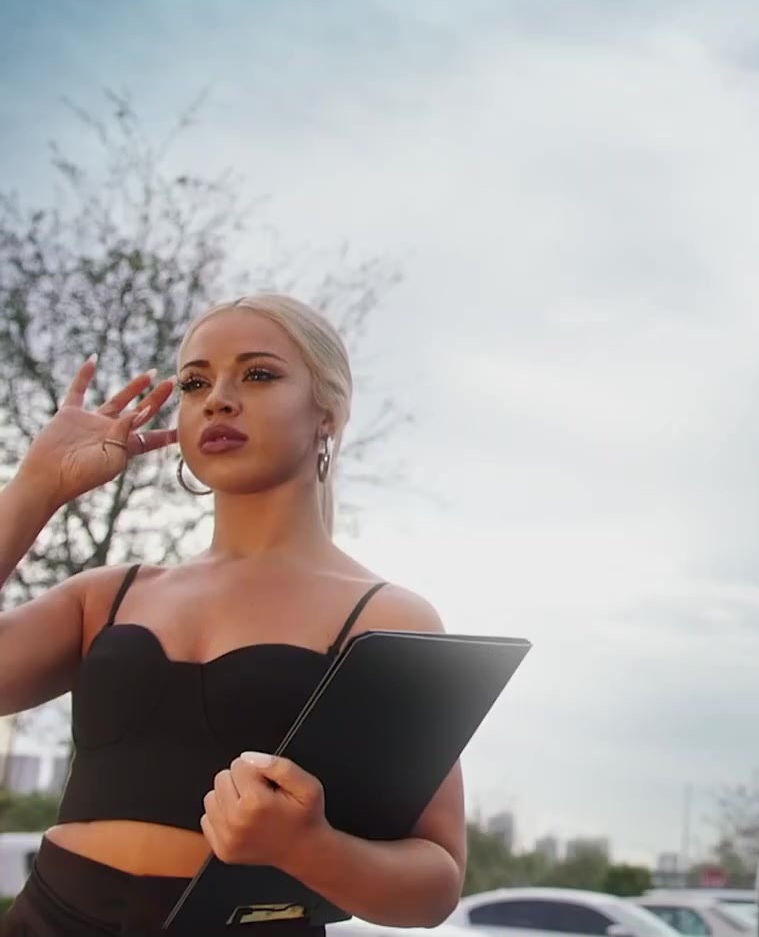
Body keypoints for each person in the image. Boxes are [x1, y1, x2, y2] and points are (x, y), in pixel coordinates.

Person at [0, 293, 465, 935]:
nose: (218, 398)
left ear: (327, 414)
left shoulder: (388, 618)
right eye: (195, 383)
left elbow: (436, 882)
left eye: (258, 374)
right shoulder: (107, 596)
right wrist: (35, 488)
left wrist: (310, 847)